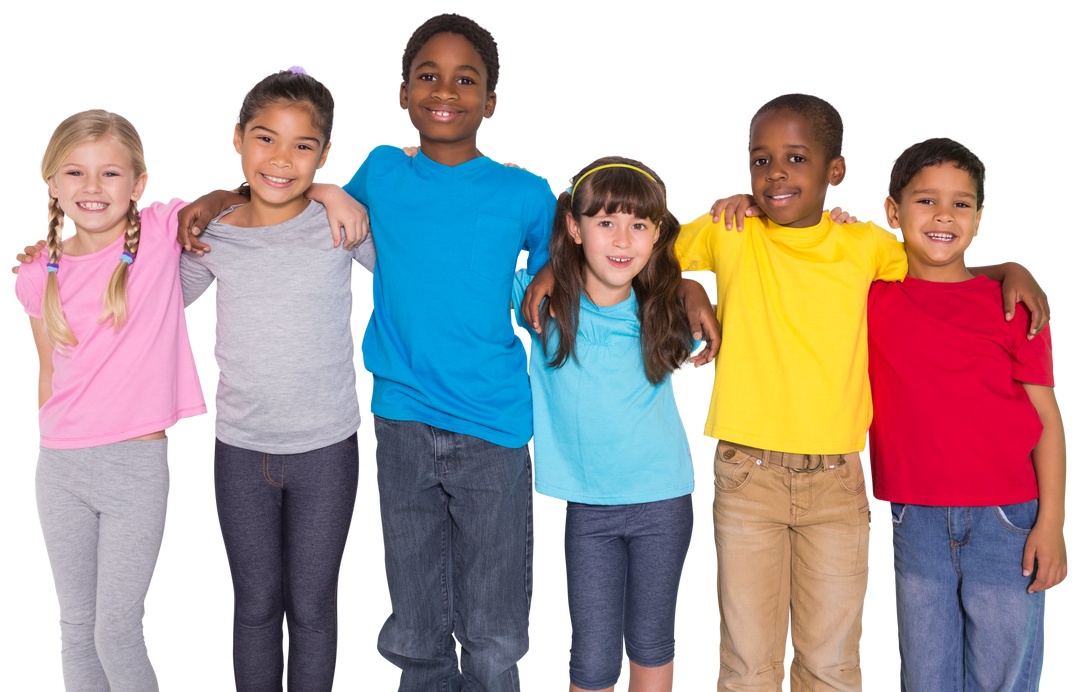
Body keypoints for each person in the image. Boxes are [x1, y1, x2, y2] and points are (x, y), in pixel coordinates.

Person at [522, 90, 1050, 691]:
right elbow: (639, 249)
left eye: (796, 159)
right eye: (760, 159)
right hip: (747, 475)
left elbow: (940, 261)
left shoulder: (866, 244)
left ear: (836, 172)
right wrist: (686, 286)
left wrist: (1011, 269)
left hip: (839, 479)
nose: (775, 173)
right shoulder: (728, 229)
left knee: (830, 666)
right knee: (747, 665)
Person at [176, 63, 375, 690]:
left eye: (303, 145)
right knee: (255, 605)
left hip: (328, 448)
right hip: (239, 449)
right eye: (265, 138)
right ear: (236, 139)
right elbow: (153, 305)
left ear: (325, 154)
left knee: (314, 607)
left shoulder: (340, 225)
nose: (282, 158)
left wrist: (333, 191)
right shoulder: (213, 238)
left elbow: (411, 272)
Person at [13, 106, 210, 691]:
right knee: (74, 628)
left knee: (117, 631)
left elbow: (237, 196)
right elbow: (46, 371)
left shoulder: (159, 230)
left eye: (110, 174)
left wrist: (332, 193)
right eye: (75, 173)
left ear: (140, 182)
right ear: (50, 182)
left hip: (134, 467)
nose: (92, 189)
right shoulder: (35, 272)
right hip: (60, 466)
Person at [867, 134, 1068, 691]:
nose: (942, 215)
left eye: (960, 204)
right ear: (892, 211)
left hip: (1010, 519)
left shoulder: (1013, 306)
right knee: (926, 677)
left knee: (1005, 677)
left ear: (979, 218)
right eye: (925, 199)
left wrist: (1052, 522)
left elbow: (1047, 420)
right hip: (915, 516)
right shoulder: (872, 298)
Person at [513, 154, 701, 692]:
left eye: (638, 225)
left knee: (652, 642)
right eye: (605, 223)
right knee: (590, 659)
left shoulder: (666, 309)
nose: (622, 240)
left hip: (663, 500)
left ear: (658, 233)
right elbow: (485, 256)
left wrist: (691, 286)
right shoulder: (542, 307)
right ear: (574, 227)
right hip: (588, 508)